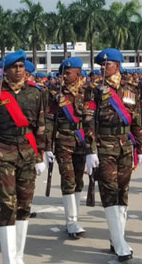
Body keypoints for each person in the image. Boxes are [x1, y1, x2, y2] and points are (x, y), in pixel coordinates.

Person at [0, 51, 46, 264]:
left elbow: (41, 126)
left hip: (27, 153)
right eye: (14, 67)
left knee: (24, 205)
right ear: (5, 70)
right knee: (8, 205)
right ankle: (9, 260)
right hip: (3, 151)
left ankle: (18, 256)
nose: (18, 70)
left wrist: (40, 156)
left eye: (21, 66)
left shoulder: (36, 93)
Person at [83, 48, 142, 262]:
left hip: (126, 145)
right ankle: (120, 244)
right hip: (104, 145)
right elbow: (88, 120)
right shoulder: (94, 90)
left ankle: (116, 237)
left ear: (117, 65)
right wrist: (91, 150)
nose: (102, 67)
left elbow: (136, 119)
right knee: (109, 190)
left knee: (122, 192)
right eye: (101, 64)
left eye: (106, 64)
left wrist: (141, 146)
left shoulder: (131, 88)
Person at [45, 57, 89, 240]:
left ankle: (75, 217)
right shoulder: (55, 93)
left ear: (78, 73)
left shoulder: (89, 91)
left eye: (67, 72)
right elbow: (49, 120)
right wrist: (47, 146)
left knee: (79, 179)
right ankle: (71, 221)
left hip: (83, 140)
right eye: (62, 72)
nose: (63, 76)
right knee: (68, 178)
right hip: (63, 140)